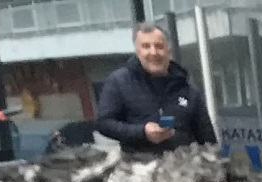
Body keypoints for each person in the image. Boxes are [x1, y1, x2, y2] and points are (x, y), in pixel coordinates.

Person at [91, 23, 214, 156]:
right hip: (138, 170)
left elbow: (208, 138)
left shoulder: (187, 87)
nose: (153, 52)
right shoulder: (119, 81)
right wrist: (142, 132)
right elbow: (104, 123)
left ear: (168, 50)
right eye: (146, 46)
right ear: (137, 51)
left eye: (159, 46)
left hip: (182, 169)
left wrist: (219, 162)